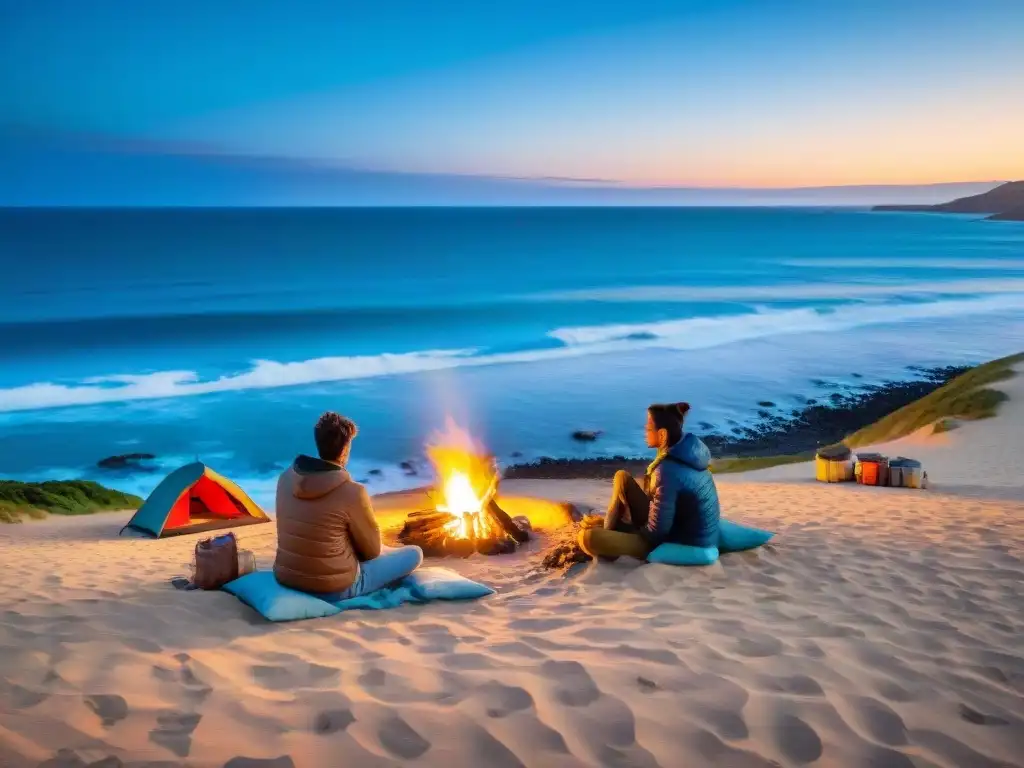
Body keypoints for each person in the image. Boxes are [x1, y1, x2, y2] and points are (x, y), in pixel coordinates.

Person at [274, 411, 423, 601]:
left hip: (287, 577)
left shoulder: (285, 479)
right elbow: (372, 552)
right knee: (414, 554)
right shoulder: (352, 492)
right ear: (345, 450)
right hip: (335, 587)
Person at [578, 402, 720, 561]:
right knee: (621, 477)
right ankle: (611, 528)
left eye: (648, 428)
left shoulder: (667, 470)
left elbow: (656, 533)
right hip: (678, 526)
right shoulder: (686, 453)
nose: (645, 431)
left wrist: (629, 531)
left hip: (679, 541)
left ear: (662, 435)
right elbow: (661, 506)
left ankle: (609, 537)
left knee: (589, 538)